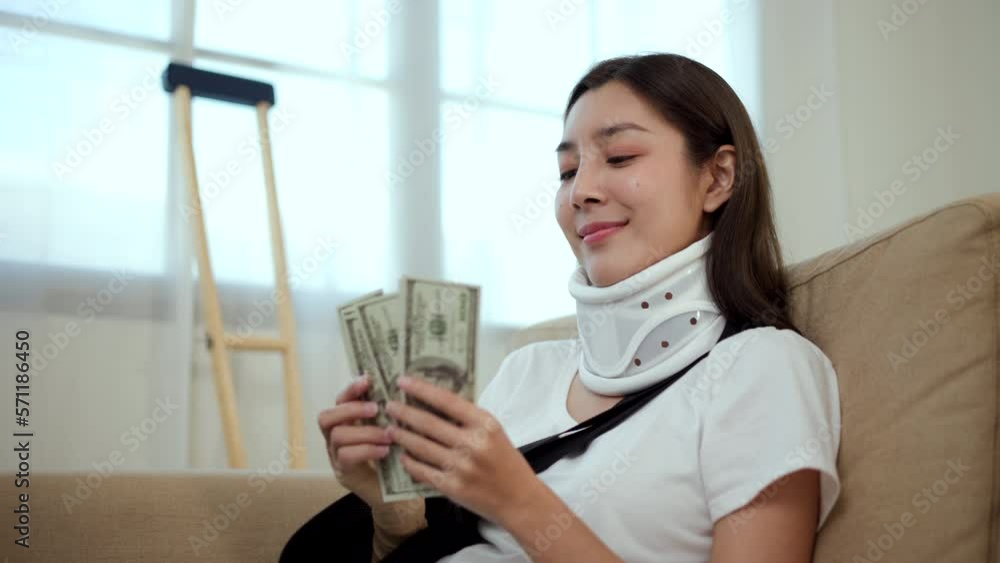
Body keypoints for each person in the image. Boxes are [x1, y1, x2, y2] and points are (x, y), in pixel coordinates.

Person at [317, 52, 842, 562]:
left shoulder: (763, 367)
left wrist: (518, 500)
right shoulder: (527, 371)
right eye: (568, 171)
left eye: (620, 157)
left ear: (718, 177)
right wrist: (392, 511)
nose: (581, 192)